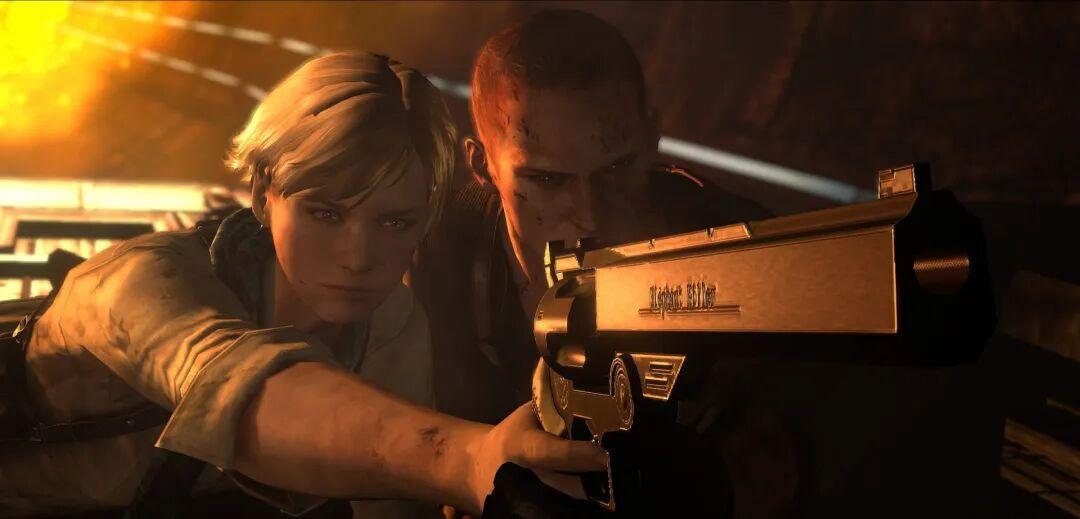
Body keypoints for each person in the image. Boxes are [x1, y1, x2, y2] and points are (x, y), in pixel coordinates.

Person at [0, 51, 604, 518]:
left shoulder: (391, 321)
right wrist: (467, 459)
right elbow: (240, 387)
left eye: (395, 221)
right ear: (263, 193)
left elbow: (389, 506)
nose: (358, 257)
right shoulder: (137, 280)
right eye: (325, 213)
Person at [409, 10, 793, 518]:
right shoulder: (443, 252)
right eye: (548, 180)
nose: (589, 213)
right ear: (483, 165)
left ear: (652, 137)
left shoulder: (734, 247)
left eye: (616, 167)